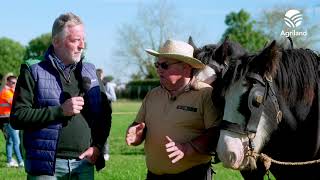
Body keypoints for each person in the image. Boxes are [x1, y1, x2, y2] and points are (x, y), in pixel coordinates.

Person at [10, 12, 111, 179]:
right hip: (46, 168)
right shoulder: (33, 70)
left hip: (84, 165)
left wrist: (98, 147)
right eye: (75, 40)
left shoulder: (90, 71)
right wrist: (60, 111)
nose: (82, 46)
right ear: (56, 41)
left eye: (83, 40)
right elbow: (17, 117)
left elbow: (105, 114)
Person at [125, 39, 221, 179]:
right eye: (157, 64)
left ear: (186, 67)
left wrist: (188, 148)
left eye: (164, 65)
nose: (158, 70)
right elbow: (139, 126)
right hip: (154, 175)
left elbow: (215, 133)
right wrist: (136, 134)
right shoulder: (153, 94)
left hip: (193, 175)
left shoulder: (205, 94)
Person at [0, 75, 24, 167]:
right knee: (16, 141)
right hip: (8, 120)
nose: (15, 84)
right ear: (8, 82)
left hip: (8, 119)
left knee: (10, 141)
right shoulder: (6, 92)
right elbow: (16, 104)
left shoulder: (10, 91)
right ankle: (20, 162)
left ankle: (9, 161)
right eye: (13, 83)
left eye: (16, 83)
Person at [96, 68, 113, 161]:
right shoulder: (94, 83)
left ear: (102, 75)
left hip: (106, 112)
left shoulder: (108, 85)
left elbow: (113, 97)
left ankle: (105, 153)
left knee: (105, 133)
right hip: (96, 112)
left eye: (100, 75)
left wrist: (104, 94)